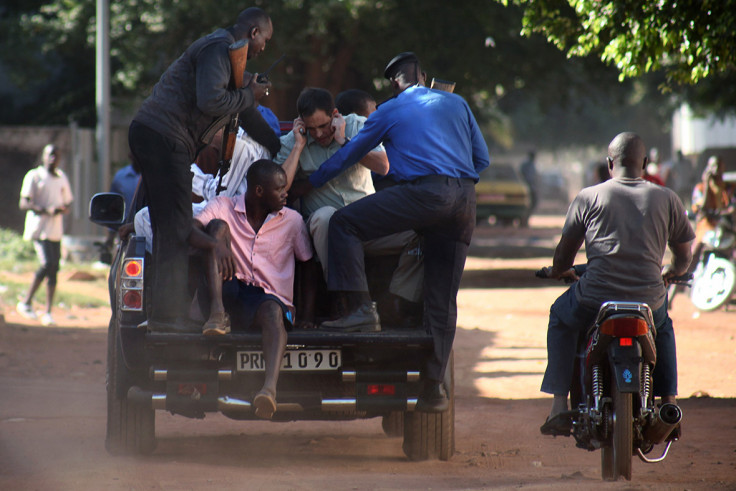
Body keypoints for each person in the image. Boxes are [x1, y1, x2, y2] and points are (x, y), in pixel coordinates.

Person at [304, 52, 490, 412]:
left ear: (395, 83)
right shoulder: (457, 103)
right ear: (423, 75)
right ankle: (433, 388)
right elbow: (481, 160)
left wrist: (309, 182)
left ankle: (360, 309)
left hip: (424, 193)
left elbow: (349, 154)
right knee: (441, 298)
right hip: (464, 201)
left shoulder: (389, 110)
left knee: (344, 223)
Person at [127, 7, 273, 333]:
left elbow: (245, 115)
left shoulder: (226, 58)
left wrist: (277, 146)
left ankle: (165, 316)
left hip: (157, 136)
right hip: (164, 137)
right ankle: (169, 318)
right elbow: (211, 102)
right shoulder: (219, 48)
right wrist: (249, 94)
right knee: (176, 227)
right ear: (253, 33)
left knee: (171, 226)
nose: (265, 48)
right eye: (265, 38)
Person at [538, 132, 694, 435]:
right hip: (649, 298)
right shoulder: (667, 198)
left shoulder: (588, 197)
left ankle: (559, 404)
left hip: (595, 297)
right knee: (662, 328)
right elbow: (684, 254)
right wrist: (672, 272)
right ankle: (669, 401)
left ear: (610, 163)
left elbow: (564, 255)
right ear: (646, 163)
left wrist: (559, 271)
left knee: (560, 316)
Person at [275, 87, 424, 319]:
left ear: (335, 115)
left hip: (367, 225)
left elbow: (383, 166)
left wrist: (345, 143)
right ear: (301, 123)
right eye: (311, 128)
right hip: (328, 236)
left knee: (419, 233)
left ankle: (397, 301)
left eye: (323, 126)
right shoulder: (293, 140)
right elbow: (280, 189)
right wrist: (298, 146)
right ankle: (343, 298)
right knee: (327, 218)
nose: (318, 134)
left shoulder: (355, 126)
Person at [192, 159, 314, 419]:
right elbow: (191, 231)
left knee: (272, 312)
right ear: (259, 191)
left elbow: (308, 265)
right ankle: (217, 316)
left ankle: (268, 390)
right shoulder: (223, 206)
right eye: (279, 189)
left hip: (265, 297)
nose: (285, 194)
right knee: (217, 227)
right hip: (227, 287)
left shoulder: (292, 221)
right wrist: (215, 244)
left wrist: (307, 315)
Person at [17, 143, 74, 326]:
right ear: (43, 156)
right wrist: (45, 209)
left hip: (55, 230)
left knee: (54, 269)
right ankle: (26, 302)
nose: (52, 159)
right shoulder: (34, 176)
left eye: (56, 156)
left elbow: (67, 202)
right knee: (47, 263)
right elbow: (24, 203)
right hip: (38, 229)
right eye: (49, 155)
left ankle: (47, 311)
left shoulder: (61, 177)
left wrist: (61, 210)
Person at [520, 151, 538, 226]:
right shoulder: (527, 165)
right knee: (527, 205)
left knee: (532, 204)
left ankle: (525, 220)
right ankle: (523, 221)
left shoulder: (530, 165)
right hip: (526, 188)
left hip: (530, 188)